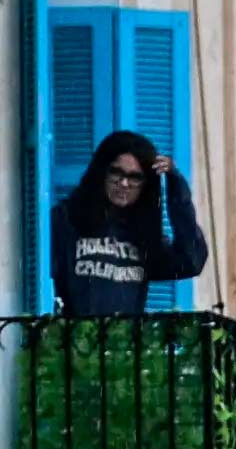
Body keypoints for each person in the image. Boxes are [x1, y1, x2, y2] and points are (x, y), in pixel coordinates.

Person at [50, 131, 207, 318]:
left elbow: (191, 261)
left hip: (125, 344)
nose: (124, 183)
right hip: (73, 341)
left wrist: (175, 184)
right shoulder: (66, 219)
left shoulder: (144, 238)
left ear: (145, 184)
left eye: (135, 177)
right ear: (101, 172)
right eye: (116, 173)